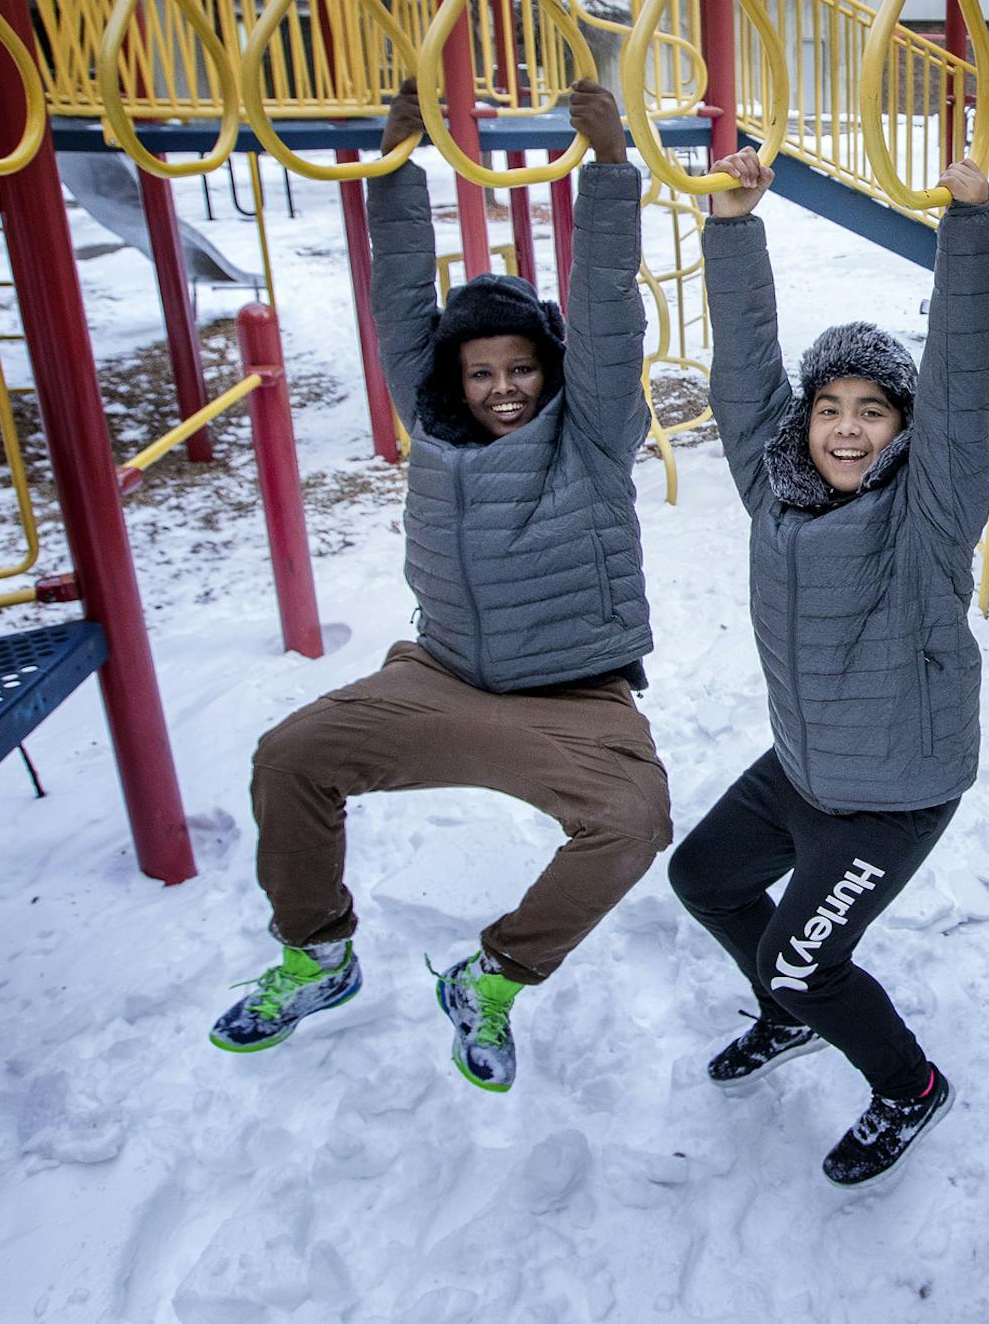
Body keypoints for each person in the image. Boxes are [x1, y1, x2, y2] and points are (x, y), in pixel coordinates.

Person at [209, 80, 672, 1095]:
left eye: (521, 368)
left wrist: (607, 171)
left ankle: (495, 976)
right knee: (291, 756)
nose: (502, 386)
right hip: (444, 678)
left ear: (549, 372)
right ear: (449, 385)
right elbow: (399, 298)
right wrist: (393, 161)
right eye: (479, 373)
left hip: (576, 699)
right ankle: (317, 956)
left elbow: (602, 318)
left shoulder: (591, 436)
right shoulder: (434, 435)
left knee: (634, 820)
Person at [667, 149, 989, 1186]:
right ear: (804, 422)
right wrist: (730, 227)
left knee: (803, 958)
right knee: (704, 876)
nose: (847, 427)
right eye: (830, 407)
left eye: (874, 410)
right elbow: (742, 376)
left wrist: (971, 230)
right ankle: (791, 1014)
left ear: (902, 430)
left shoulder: (927, 518)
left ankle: (910, 1086)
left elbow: (963, 383)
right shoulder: (776, 495)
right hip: (806, 770)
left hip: (893, 794)